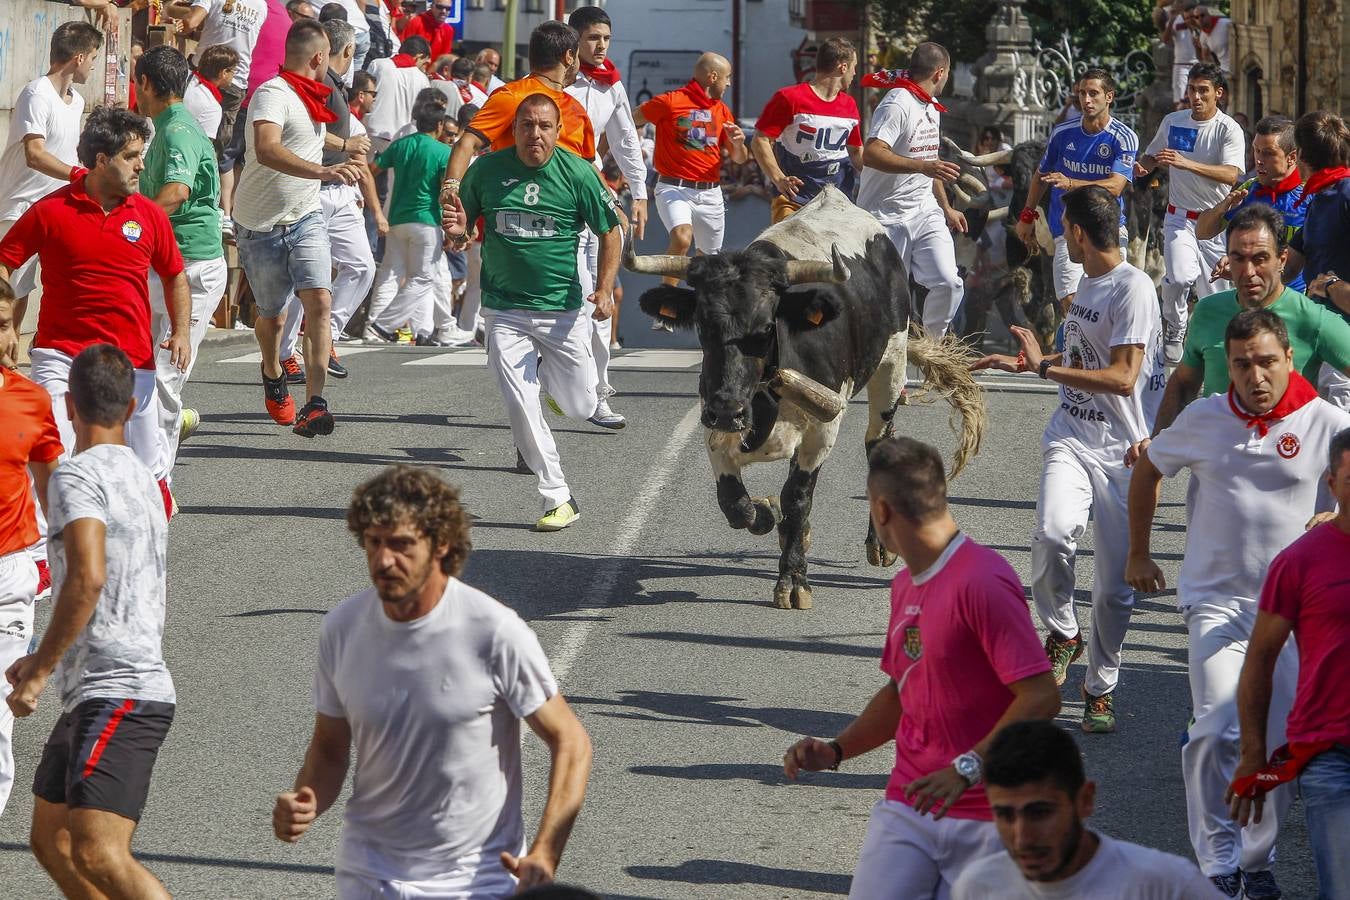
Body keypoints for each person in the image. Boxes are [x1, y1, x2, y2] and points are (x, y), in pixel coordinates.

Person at [273, 465, 592, 897]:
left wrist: (546, 852)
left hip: (475, 881)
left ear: (441, 544)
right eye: (374, 543)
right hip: (369, 874)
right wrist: (305, 799)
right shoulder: (342, 628)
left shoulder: (494, 631)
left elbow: (571, 742)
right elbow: (330, 749)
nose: (384, 560)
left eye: (402, 544)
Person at [1126, 309, 1350, 898]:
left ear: (1290, 361)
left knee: (1275, 745)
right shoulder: (1204, 418)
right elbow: (1148, 469)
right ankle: (1217, 863)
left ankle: (1257, 862)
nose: (1255, 376)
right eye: (1242, 364)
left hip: (1291, 617)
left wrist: (1339, 516)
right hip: (1217, 605)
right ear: (1228, 366)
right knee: (1218, 727)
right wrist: (1139, 554)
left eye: (1267, 362)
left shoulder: (1327, 423)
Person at [782, 437, 1060, 899]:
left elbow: (1042, 696)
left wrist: (965, 768)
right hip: (910, 807)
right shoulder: (904, 584)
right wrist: (835, 750)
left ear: (882, 510)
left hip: (988, 820)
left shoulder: (982, 581)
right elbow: (900, 693)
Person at [973, 186, 1164, 734]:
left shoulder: (1134, 289)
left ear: (1078, 233)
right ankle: (1063, 632)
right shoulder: (1088, 286)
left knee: (1114, 590)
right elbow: (1084, 357)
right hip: (1071, 437)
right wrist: (1028, 362)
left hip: (1122, 454)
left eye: (1064, 232)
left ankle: (1100, 688)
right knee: (1054, 534)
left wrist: (1043, 370)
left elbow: (1124, 376)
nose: (1062, 241)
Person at [5, 344, 176, 900]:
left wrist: (38, 672)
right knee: (51, 840)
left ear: (69, 408)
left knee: (99, 852)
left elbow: (86, 578)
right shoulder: (144, 477)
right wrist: (45, 657)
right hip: (101, 689)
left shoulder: (75, 478)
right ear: (130, 409)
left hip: (120, 690)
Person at [443, 94, 621, 531]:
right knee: (520, 403)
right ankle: (557, 495)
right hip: (504, 309)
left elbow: (611, 231)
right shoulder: (486, 170)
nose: (534, 134)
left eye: (544, 126)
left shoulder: (578, 172)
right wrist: (456, 233)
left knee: (580, 406)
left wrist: (603, 289)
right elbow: (461, 225)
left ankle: (558, 388)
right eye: (526, 125)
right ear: (514, 129)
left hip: (562, 311)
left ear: (558, 131)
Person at [0, 107, 189, 491]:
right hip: (61, 355)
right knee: (50, 453)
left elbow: (175, 276)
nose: (141, 166)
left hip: (133, 359)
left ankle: (147, 537)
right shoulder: (50, 211)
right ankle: (43, 550)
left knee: (148, 471)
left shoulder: (150, 216)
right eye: (131, 157)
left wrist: (181, 330)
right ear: (102, 161)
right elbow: (5, 260)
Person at [1231, 427, 1350, 899]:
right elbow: (1259, 660)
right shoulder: (1299, 562)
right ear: (1331, 483)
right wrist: (1253, 755)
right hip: (1329, 754)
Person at [232, 18, 364, 437]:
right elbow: (269, 149)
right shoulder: (272, 95)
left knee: (319, 302)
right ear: (320, 57)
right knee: (271, 315)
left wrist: (343, 147)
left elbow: (309, 138)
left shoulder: (314, 100)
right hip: (260, 225)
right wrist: (326, 174)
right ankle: (272, 370)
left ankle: (315, 403)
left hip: (305, 217)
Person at [1146, 205, 1350, 439]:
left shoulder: (1312, 318)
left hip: (1287, 465)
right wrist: (1157, 450)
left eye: (1260, 259)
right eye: (1238, 259)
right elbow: (1183, 383)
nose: (1248, 271)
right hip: (1216, 466)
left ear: (1282, 259)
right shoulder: (1207, 311)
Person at [953, 721, 1219, 898]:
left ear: (1085, 800)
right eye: (1005, 815)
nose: (1022, 838)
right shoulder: (978, 886)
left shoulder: (1168, 886)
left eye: (1040, 813)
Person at [135, 46, 228, 489]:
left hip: (192, 267)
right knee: (147, 370)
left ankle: (159, 484)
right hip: (167, 264)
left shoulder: (178, 132)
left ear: (147, 84)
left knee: (167, 376)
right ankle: (151, 455)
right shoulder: (167, 126)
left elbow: (176, 191)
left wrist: (127, 223)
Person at [276, 18, 381, 379]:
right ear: (349, 51)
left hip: (340, 190)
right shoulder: (317, 85)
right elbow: (302, 134)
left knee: (362, 266)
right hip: (313, 189)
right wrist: (347, 146)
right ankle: (284, 351)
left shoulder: (336, 87)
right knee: (300, 276)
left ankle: (325, 336)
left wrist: (352, 171)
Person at [566, 5, 649, 429]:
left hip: (591, 192)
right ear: (573, 38)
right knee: (565, 300)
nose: (600, 47)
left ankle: (599, 393)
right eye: (593, 38)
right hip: (549, 197)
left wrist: (639, 192)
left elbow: (626, 141)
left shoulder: (610, 85)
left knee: (600, 295)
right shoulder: (551, 79)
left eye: (606, 39)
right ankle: (557, 380)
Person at [0, 280, 63, 817]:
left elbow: (51, 489)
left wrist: (56, 563)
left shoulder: (29, 399)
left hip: (8, 577)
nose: (0, 338)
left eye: (3, 325)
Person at [855, 42, 967, 340]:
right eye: (948, 74)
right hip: (886, 215)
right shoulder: (897, 103)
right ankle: (897, 380)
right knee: (893, 299)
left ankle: (931, 350)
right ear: (940, 72)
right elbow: (872, 153)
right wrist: (922, 167)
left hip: (925, 211)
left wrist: (946, 209)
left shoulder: (931, 105)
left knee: (949, 283)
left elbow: (931, 165)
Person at [1137, 62, 1245, 362]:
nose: (1195, 97)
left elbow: (1232, 174)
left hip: (1217, 225)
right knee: (1181, 276)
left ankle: (1215, 351)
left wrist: (1186, 163)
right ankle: (1174, 326)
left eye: (1203, 91)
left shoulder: (1228, 129)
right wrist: (1142, 167)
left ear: (1218, 94)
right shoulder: (1174, 121)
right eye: (1191, 89)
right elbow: (1153, 156)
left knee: (1216, 297)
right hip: (1179, 218)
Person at [0, 21, 103, 334]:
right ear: (80, 58)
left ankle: (11, 363)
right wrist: (79, 175)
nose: (94, 66)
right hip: (18, 208)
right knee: (7, 292)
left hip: (55, 210)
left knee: (25, 291)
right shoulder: (36, 93)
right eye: (94, 58)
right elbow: (35, 154)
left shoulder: (79, 102)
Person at [1016, 69, 1138, 315]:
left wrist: (1072, 183)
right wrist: (1027, 216)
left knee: (1110, 302)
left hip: (1108, 229)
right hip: (1069, 229)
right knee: (1069, 300)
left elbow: (1115, 186)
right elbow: (1041, 176)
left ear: (1109, 97)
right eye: (1082, 93)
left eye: (1093, 93)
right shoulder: (1063, 133)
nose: (1086, 100)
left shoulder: (1124, 137)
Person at [633, 53, 747, 296]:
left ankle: (700, 310)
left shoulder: (723, 111)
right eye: (727, 78)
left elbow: (740, 159)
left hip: (711, 194)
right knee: (683, 239)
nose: (728, 84)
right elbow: (629, 120)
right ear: (712, 77)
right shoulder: (670, 101)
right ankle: (667, 297)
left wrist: (738, 144)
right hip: (674, 187)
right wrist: (631, 154)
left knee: (709, 265)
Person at [442, 23, 596, 194]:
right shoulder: (513, 96)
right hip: (507, 212)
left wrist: (615, 207)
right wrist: (451, 188)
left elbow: (589, 170)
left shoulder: (578, 110)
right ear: (569, 56)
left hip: (564, 217)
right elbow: (467, 143)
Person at [163, 0, 268, 235]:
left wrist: (170, 8)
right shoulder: (262, 6)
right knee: (222, 155)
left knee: (183, 138)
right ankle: (223, 215)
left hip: (205, 75)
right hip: (236, 83)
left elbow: (190, 22)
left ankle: (180, 197)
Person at [365, 91, 456, 344]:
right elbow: (445, 190)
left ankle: (412, 329)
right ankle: (384, 325)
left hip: (397, 217)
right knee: (423, 277)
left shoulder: (401, 144)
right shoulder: (442, 151)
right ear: (439, 125)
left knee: (395, 273)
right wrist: (452, 227)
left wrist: (373, 205)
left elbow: (372, 171)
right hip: (426, 219)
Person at [752, 37, 862, 225]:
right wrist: (779, 179)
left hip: (838, 203)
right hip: (795, 201)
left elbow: (855, 152)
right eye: (854, 67)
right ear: (843, 67)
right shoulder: (789, 98)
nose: (854, 73)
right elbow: (760, 140)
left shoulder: (849, 104)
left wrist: (882, 178)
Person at [1195, 116, 1305, 292]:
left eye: (1268, 153)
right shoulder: (1249, 189)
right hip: (1252, 298)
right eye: (1256, 151)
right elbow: (1202, 232)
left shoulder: (1311, 195)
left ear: (1291, 158)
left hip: (1298, 298)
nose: (1259, 160)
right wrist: (1222, 208)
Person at [1289, 110, 1350, 409]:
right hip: (1318, 341)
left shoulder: (1346, 195)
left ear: (1300, 154)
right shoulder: (1320, 197)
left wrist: (1333, 287)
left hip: (1343, 354)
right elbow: (1289, 263)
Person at [366, 35, 433, 153]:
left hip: (371, 132)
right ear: (418, 57)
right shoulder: (423, 80)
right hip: (400, 140)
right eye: (425, 63)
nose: (425, 68)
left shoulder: (377, 65)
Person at [184, 44, 241, 139]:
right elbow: (204, 147)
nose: (234, 75)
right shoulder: (212, 108)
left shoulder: (184, 77)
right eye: (234, 71)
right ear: (224, 73)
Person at [1163, 0, 1201, 106]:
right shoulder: (1176, 20)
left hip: (1197, 64)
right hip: (1181, 65)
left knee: (1196, 97)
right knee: (1179, 100)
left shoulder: (1199, 18)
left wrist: (1192, 27)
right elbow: (1166, 39)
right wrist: (1171, 20)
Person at [1190, 5, 1232, 77]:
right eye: (1197, 17)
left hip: (1238, 68)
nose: (1200, 19)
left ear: (1208, 15)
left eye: (1202, 15)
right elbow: (1205, 56)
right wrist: (1214, 71)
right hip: (1224, 70)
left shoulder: (1225, 23)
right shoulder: (1203, 36)